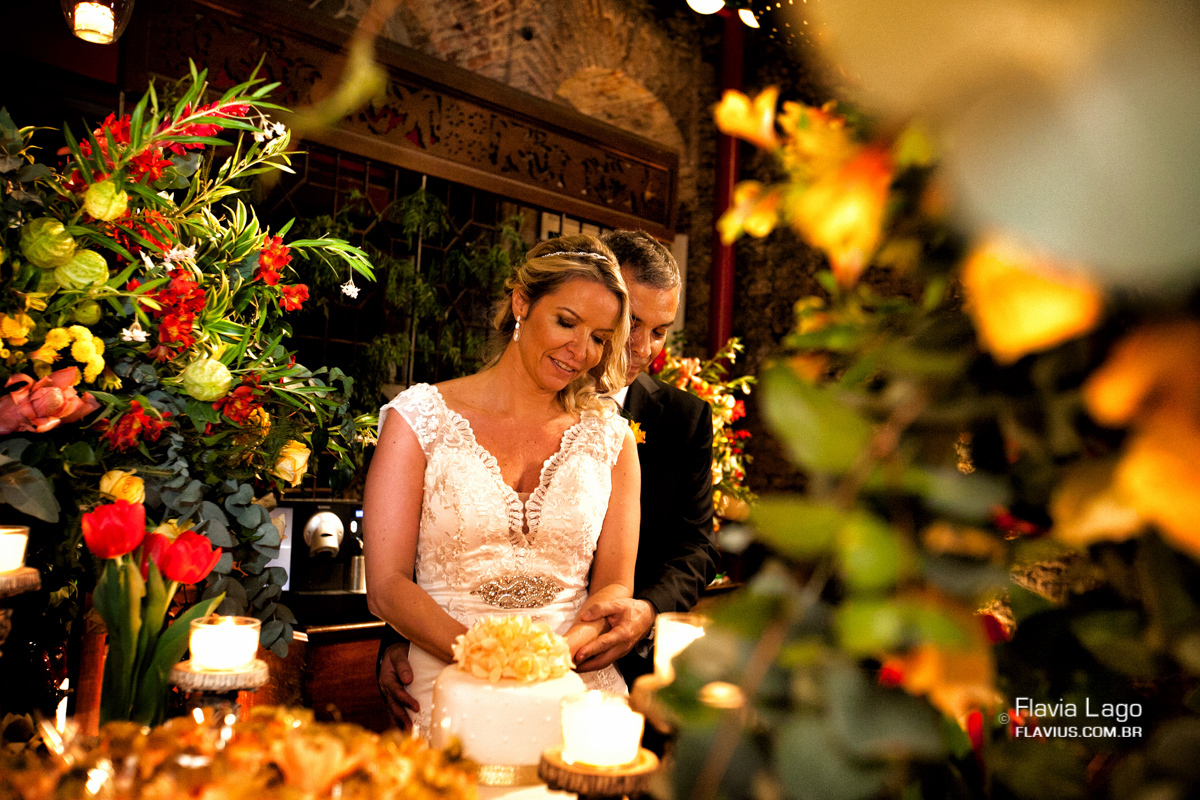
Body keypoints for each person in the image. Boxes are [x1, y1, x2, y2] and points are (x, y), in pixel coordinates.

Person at [377, 230, 717, 728]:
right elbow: (391, 580)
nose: (582, 351)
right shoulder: (420, 418)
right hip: (445, 683)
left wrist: (547, 658)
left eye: (601, 338)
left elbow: (629, 577)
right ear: (521, 302)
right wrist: (480, 656)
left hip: (574, 682)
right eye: (567, 322)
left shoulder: (616, 438)